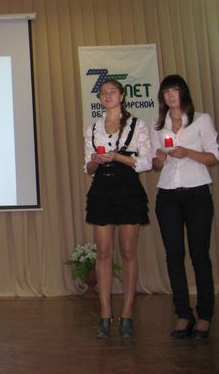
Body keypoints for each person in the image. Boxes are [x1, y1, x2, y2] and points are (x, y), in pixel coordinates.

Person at [151, 74, 219, 340]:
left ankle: (204, 315)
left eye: (175, 89)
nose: (171, 95)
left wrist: (187, 152)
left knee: (199, 254)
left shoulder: (201, 120)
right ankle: (183, 313)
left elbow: (214, 157)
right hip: (168, 195)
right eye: (166, 91)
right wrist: (159, 159)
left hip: (198, 193)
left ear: (184, 92)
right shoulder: (158, 126)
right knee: (174, 255)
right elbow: (156, 165)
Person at [84, 79, 152, 339]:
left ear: (122, 96)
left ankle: (126, 314)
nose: (108, 96)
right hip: (102, 188)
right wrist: (95, 161)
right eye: (103, 93)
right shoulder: (93, 128)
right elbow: (88, 169)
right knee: (103, 251)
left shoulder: (137, 124)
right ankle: (105, 314)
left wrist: (117, 156)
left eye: (112, 92)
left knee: (128, 251)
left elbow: (145, 162)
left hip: (128, 188)